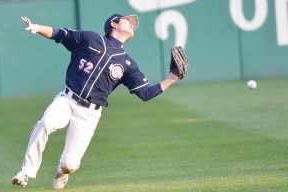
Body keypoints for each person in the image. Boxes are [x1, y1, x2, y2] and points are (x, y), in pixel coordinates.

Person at [11, 14, 179, 189]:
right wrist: (37, 27)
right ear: (114, 23)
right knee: (46, 123)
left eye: (132, 24)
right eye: (127, 21)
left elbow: (145, 93)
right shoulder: (92, 39)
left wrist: (172, 78)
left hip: (89, 114)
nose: (131, 25)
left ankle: (61, 173)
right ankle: (26, 171)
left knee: (69, 165)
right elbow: (60, 34)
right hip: (67, 100)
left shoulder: (127, 63)